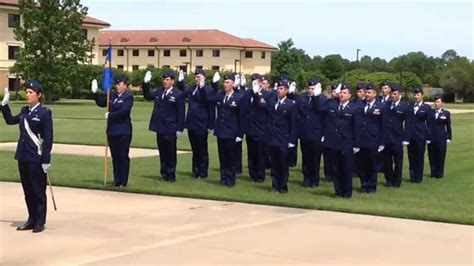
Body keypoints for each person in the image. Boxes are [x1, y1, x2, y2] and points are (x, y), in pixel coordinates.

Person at [1, 80, 53, 233]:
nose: (27, 95)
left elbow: (48, 138)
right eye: (27, 92)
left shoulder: (44, 113)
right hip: (23, 156)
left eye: (31, 92)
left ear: (39, 95)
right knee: (28, 191)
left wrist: (46, 159)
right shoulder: (24, 111)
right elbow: (11, 120)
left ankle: (39, 221)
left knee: (38, 190)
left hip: (36, 157)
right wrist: (4, 105)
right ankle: (31, 219)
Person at [253, 79, 297, 193]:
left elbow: (293, 124)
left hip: (283, 138)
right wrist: (256, 93)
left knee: (283, 164)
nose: (279, 90)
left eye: (281, 89)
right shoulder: (272, 101)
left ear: (286, 90)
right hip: (272, 137)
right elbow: (259, 105)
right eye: (278, 88)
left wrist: (292, 140)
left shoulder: (291, 104)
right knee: (274, 164)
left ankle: (283, 186)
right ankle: (275, 185)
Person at [318, 83, 361, 198]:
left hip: (347, 142)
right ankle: (338, 191)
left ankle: (347, 193)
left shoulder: (354, 108)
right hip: (334, 141)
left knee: (346, 169)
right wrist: (332, 97)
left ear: (350, 95)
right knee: (336, 169)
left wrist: (356, 144)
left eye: (344, 93)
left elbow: (357, 127)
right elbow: (320, 108)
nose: (342, 94)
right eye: (340, 92)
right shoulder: (333, 105)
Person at [142, 69, 185, 182]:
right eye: (164, 79)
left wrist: (180, 128)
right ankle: (163, 173)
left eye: (167, 80)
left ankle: (171, 174)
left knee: (170, 152)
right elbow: (147, 95)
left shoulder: (178, 94)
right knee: (162, 152)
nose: (165, 82)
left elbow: (181, 113)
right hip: (160, 127)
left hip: (171, 128)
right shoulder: (159, 91)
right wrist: (145, 83)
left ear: (173, 81)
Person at [91, 75, 134, 187]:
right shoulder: (112, 95)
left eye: (120, 84)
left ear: (125, 85)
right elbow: (102, 103)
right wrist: (95, 93)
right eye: (117, 84)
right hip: (112, 130)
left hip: (124, 130)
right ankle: (117, 180)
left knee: (123, 156)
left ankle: (123, 181)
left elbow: (124, 111)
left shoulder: (128, 97)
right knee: (115, 157)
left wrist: (111, 115)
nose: (117, 86)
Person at [207, 73, 245, 187]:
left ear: (233, 84)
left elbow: (242, 117)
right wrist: (214, 84)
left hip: (232, 132)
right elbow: (208, 98)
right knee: (222, 157)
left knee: (231, 158)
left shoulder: (239, 98)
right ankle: (223, 179)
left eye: (228, 82)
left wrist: (240, 134)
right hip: (221, 131)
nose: (225, 84)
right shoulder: (220, 95)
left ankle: (230, 180)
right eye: (224, 82)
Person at [177, 69, 215, 179]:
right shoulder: (192, 89)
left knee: (202, 149)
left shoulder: (208, 90)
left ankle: (203, 172)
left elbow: (211, 108)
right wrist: (180, 81)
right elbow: (183, 92)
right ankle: (195, 170)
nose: (196, 79)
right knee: (194, 149)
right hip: (191, 122)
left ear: (204, 78)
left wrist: (211, 125)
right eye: (196, 77)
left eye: (199, 77)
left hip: (202, 123)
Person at [295, 78, 324, 187]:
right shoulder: (303, 98)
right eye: (309, 88)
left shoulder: (323, 99)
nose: (310, 90)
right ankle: (306, 179)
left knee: (315, 159)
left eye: (313, 88)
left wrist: (316, 97)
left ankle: (314, 180)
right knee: (305, 158)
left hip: (316, 134)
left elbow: (319, 110)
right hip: (305, 133)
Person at [357, 83, 385, 193]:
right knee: (362, 165)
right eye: (366, 92)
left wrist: (382, 142)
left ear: (375, 93)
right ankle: (364, 185)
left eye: (369, 92)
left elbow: (383, 125)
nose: (367, 94)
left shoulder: (381, 106)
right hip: (361, 139)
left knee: (373, 165)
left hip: (374, 140)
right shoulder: (360, 105)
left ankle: (372, 186)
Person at [243, 73, 271, 182]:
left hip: (261, 129)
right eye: (253, 82)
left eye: (256, 82)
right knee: (251, 153)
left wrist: (256, 95)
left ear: (260, 83)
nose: (254, 83)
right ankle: (252, 173)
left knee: (260, 154)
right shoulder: (248, 93)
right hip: (250, 128)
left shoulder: (267, 95)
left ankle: (260, 175)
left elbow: (264, 107)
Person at [381, 84, 410, 187]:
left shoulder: (405, 106)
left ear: (400, 94)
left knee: (398, 162)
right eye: (391, 94)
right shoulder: (386, 105)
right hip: (387, 138)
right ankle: (389, 180)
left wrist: (406, 138)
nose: (392, 96)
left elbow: (408, 124)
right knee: (387, 161)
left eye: (395, 94)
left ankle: (397, 180)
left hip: (398, 138)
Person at [407, 87, 431, 183]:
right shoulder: (410, 106)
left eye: (418, 95)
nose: (416, 96)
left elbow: (429, 124)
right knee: (411, 157)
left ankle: (418, 177)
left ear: (422, 96)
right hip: (411, 136)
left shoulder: (426, 108)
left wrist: (428, 137)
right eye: (415, 95)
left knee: (419, 157)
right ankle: (412, 177)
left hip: (421, 136)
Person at [427, 95, 452, 179]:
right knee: (432, 156)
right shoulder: (430, 112)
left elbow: (448, 126)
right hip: (431, 138)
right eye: (435, 102)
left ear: (442, 103)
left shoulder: (446, 113)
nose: (436, 103)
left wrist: (449, 137)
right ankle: (433, 173)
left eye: (438, 102)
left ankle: (439, 174)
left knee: (440, 156)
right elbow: (428, 125)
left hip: (441, 138)